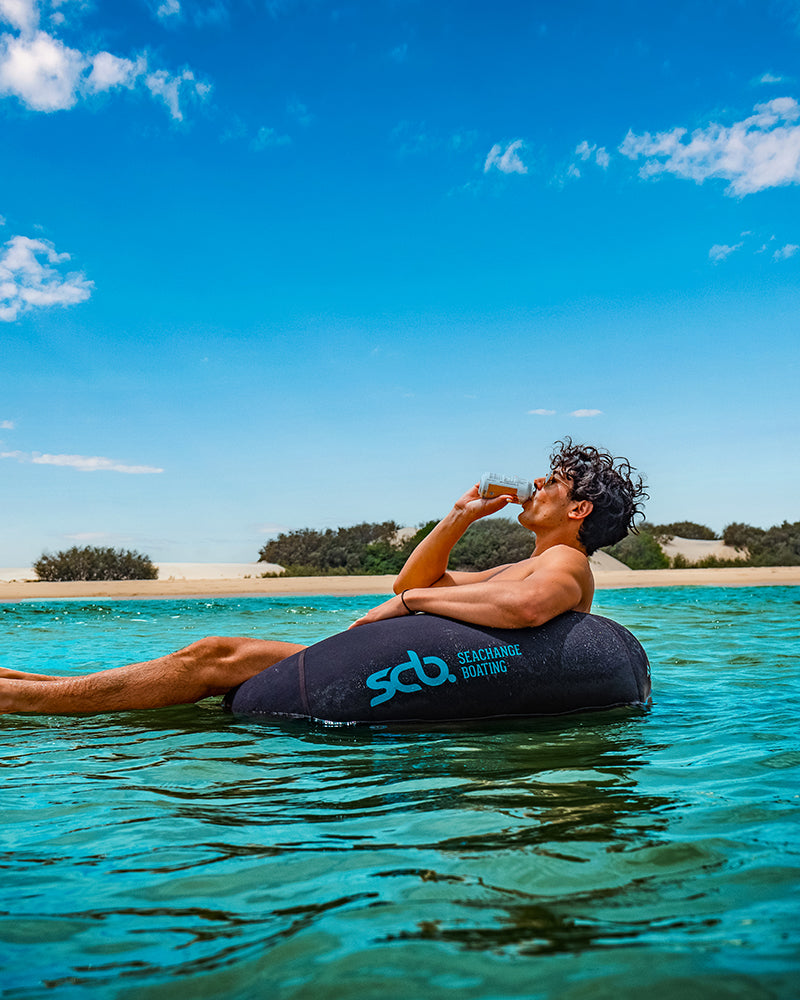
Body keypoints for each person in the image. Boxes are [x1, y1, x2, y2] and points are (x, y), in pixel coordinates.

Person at [0, 440, 645, 715]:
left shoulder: (564, 563)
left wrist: (410, 607)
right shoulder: (525, 558)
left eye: (551, 483)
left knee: (216, 656)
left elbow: (528, 609)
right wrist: (456, 518)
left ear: (579, 509)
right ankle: (43, 686)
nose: (535, 487)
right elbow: (411, 578)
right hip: (378, 661)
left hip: (388, 670)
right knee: (216, 657)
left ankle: (26, 700)